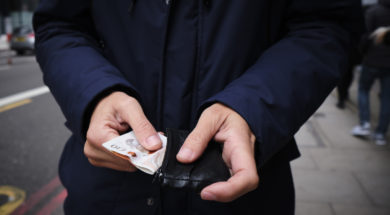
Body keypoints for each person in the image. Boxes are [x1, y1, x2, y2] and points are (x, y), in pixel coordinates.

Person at [33, 0, 363, 214]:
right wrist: (95, 95)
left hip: (244, 195)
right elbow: (59, 24)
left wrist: (252, 108)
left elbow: (327, 25)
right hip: (109, 192)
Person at [351, 0, 390, 146]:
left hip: (372, 60)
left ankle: (364, 123)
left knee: (363, 89)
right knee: (387, 98)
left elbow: (364, 35)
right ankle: (380, 133)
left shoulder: (374, 10)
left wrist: (361, 53)